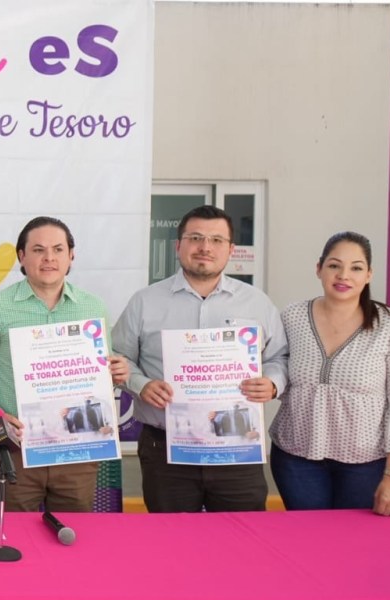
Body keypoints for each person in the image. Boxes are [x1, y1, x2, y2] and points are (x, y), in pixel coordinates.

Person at [112, 205, 288, 513]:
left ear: (230, 249)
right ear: (178, 245)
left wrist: (272, 383)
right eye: (195, 238)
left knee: (242, 535)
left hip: (237, 446)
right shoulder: (145, 302)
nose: (205, 247)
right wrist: (141, 384)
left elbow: (279, 357)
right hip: (165, 448)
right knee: (172, 538)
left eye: (216, 240)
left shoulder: (257, 303)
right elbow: (118, 357)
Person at [0, 216, 129, 512]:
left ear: (71, 255)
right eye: (38, 250)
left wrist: (116, 373)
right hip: (18, 448)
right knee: (16, 534)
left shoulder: (93, 307)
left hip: (77, 451)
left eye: (58, 249)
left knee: (72, 534)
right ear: (22, 257)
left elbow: (101, 372)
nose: (49, 258)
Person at [269, 231, 390, 516]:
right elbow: (277, 366)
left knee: (355, 540)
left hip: (365, 463)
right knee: (306, 537)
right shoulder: (292, 317)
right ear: (319, 268)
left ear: (368, 275)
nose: (344, 275)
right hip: (296, 457)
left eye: (356, 268)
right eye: (334, 265)